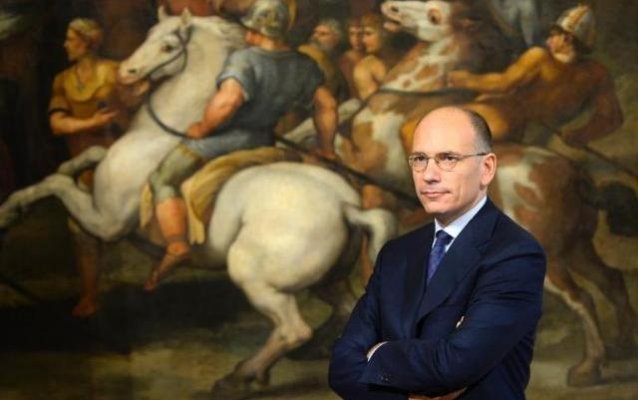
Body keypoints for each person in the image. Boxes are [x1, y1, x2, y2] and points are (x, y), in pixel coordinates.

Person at [329, 106, 546, 399]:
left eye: (448, 159)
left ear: (486, 168)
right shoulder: (396, 254)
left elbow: (453, 365)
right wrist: (416, 393)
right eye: (420, 159)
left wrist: (378, 353)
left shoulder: (515, 254)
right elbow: (341, 368)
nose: (429, 175)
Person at [144, 0, 338, 291]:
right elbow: (328, 105)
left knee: (162, 178)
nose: (247, 35)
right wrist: (327, 147)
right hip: (265, 141)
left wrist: (202, 128)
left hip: (224, 143)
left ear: (257, 28)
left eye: (249, 29)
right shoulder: (304, 64)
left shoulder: (245, 59)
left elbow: (228, 101)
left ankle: (177, 245)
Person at [446, 4, 623, 147]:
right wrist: (581, 135)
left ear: (567, 39)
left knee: (444, 123)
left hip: (505, 119)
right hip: (539, 138)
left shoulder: (539, 57)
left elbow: (503, 84)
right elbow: (612, 117)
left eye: (554, 35)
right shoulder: (597, 74)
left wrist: (465, 79)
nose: (548, 40)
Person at [48, 18, 122, 317]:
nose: (65, 44)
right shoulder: (62, 80)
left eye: (71, 39)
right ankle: (90, 296)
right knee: (82, 235)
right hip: (81, 168)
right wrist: (92, 123)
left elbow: (123, 115)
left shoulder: (114, 71)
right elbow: (57, 125)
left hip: (115, 166)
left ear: (88, 42)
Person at [353, 13, 399, 100]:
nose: (364, 40)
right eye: (363, 35)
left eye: (368, 34)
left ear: (385, 34)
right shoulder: (363, 68)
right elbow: (374, 105)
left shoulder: (405, 57)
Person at [298, 18, 345, 97]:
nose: (315, 36)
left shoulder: (335, 59)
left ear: (336, 39)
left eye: (323, 34)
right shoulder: (304, 51)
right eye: (315, 32)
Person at [338, 17, 365, 99]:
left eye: (360, 34)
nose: (356, 39)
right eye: (352, 34)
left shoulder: (376, 55)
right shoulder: (346, 59)